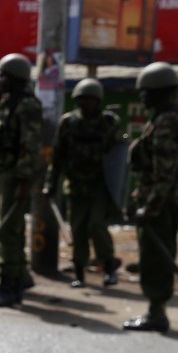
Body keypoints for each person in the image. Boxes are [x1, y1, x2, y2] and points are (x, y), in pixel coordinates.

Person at [123, 61, 178, 333]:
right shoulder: (176, 119)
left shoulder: (166, 122)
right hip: (168, 200)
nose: (142, 97)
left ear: (160, 92)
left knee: (155, 257)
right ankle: (156, 309)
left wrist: (150, 207)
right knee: (159, 255)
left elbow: (164, 172)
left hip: (160, 203)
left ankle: (157, 313)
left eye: (146, 91)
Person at [42, 78, 122, 288]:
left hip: (99, 186)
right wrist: (50, 183)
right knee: (77, 230)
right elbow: (57, 156)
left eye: (90, 100)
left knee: (97, 226)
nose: (86, 104)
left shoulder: (109, 123)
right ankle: (79, 273)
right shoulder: (68, 123)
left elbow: (119, 155)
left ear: (98, 101)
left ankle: (109, 268)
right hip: (76, 186)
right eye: (82, 100)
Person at [0, 53, 42, 307]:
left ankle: (9, 287)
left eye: (4, 76)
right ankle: (18, 276)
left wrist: (24, 181)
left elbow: (30, 146)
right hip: (3, 172)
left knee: (8, 230)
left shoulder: (27, 105)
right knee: (4, 224)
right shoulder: (9, 102)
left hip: (15, 176)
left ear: (15, 79)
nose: (0, 81)